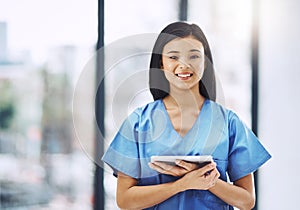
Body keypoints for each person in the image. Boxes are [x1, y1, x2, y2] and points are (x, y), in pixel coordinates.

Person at [102, 21, 271, 210]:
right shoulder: (138, 123)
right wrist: (181, 184)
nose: (184, 65)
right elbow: (125, 200)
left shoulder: (228, 123)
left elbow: (247, 201)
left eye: (194, 56)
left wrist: (209, 181)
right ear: (161, 63)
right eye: (173, 57)